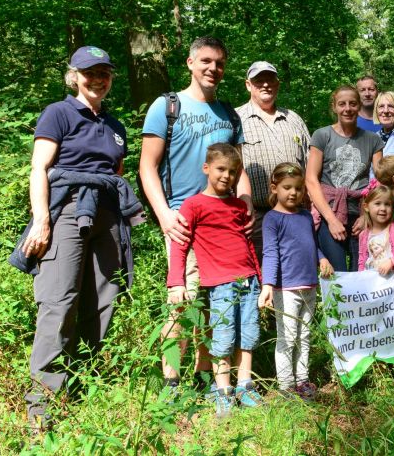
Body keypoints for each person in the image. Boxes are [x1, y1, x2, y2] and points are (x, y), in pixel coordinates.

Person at [21, 46, 136, 432]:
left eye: (104, 72)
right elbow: (40, 167)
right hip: (67, 209)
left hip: (106, 215)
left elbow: (115, 172)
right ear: (74, 76)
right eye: (89, 72)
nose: (97, 79)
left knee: (103, 300)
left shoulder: (116, 126)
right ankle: (42, 410)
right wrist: (42, 221)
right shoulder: (58, 112)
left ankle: (81, 394)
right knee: (60, 300)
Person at [139, 36, 249, 390]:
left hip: (223, 224)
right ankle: (171, 384)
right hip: (183, 220)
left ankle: (203, 380)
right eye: (205, 61)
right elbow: (147, 166)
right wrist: (164, 215)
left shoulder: (230, 114)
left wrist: (245, 203)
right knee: (181, 303)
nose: (212, 69)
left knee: (214, 304)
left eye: (219, 63)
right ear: (190, 63)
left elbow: (240, 168)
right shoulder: (167, 107)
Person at [167, 144, 261, 417]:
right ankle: (223, 392)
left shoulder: (238, 205)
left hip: (249, 281)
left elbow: (248, 244)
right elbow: (179, 245)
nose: (226, 176)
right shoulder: (194, 204)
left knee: (248, 335)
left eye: (233, 172)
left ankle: (245, 386)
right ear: (206, 168)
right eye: (221, 169)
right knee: (222, 337)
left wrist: (262, 280)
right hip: (220, 284)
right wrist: (177, 282)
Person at [257, 163, 333, 401]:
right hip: (285, 288)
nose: (293, 193)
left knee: (304, 335)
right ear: (274, 188)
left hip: (309, 285)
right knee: (287, 337)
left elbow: (312, 244)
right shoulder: (272, 219)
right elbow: (270, 252)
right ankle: (286, 385)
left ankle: (302, 380)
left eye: (298, 188)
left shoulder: (305, 216)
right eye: (287, 187)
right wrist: (268, 285)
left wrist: (321, 259)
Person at [237, 61, 311, 257]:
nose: (265, 85)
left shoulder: (294, 119)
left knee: (297, 272)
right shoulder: (236, 119)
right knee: (264, 275)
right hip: (257, 217)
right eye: (258, 81)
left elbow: (310, 165)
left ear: (277, 84)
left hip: (296, 215)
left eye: (270, 80)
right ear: (248, 85)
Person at [306, 85, 384, 272]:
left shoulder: (373, 139)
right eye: (342, 104)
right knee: (337, 274)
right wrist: (331, 220)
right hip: (329, 211)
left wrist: (367, 216)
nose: (347, 109)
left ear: (359, 106)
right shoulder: (322, 135)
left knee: (363, 273)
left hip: (361, 213)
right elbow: (310, 179)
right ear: (334, 107)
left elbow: (380, 181)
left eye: (352, 104)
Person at [357, 182, 394, 273]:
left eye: (387, 204)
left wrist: (392, 262)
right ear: (366, 207)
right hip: (375, 285)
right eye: (377, 203)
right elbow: (362, 262)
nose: (383, 208)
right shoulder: (363, 235)